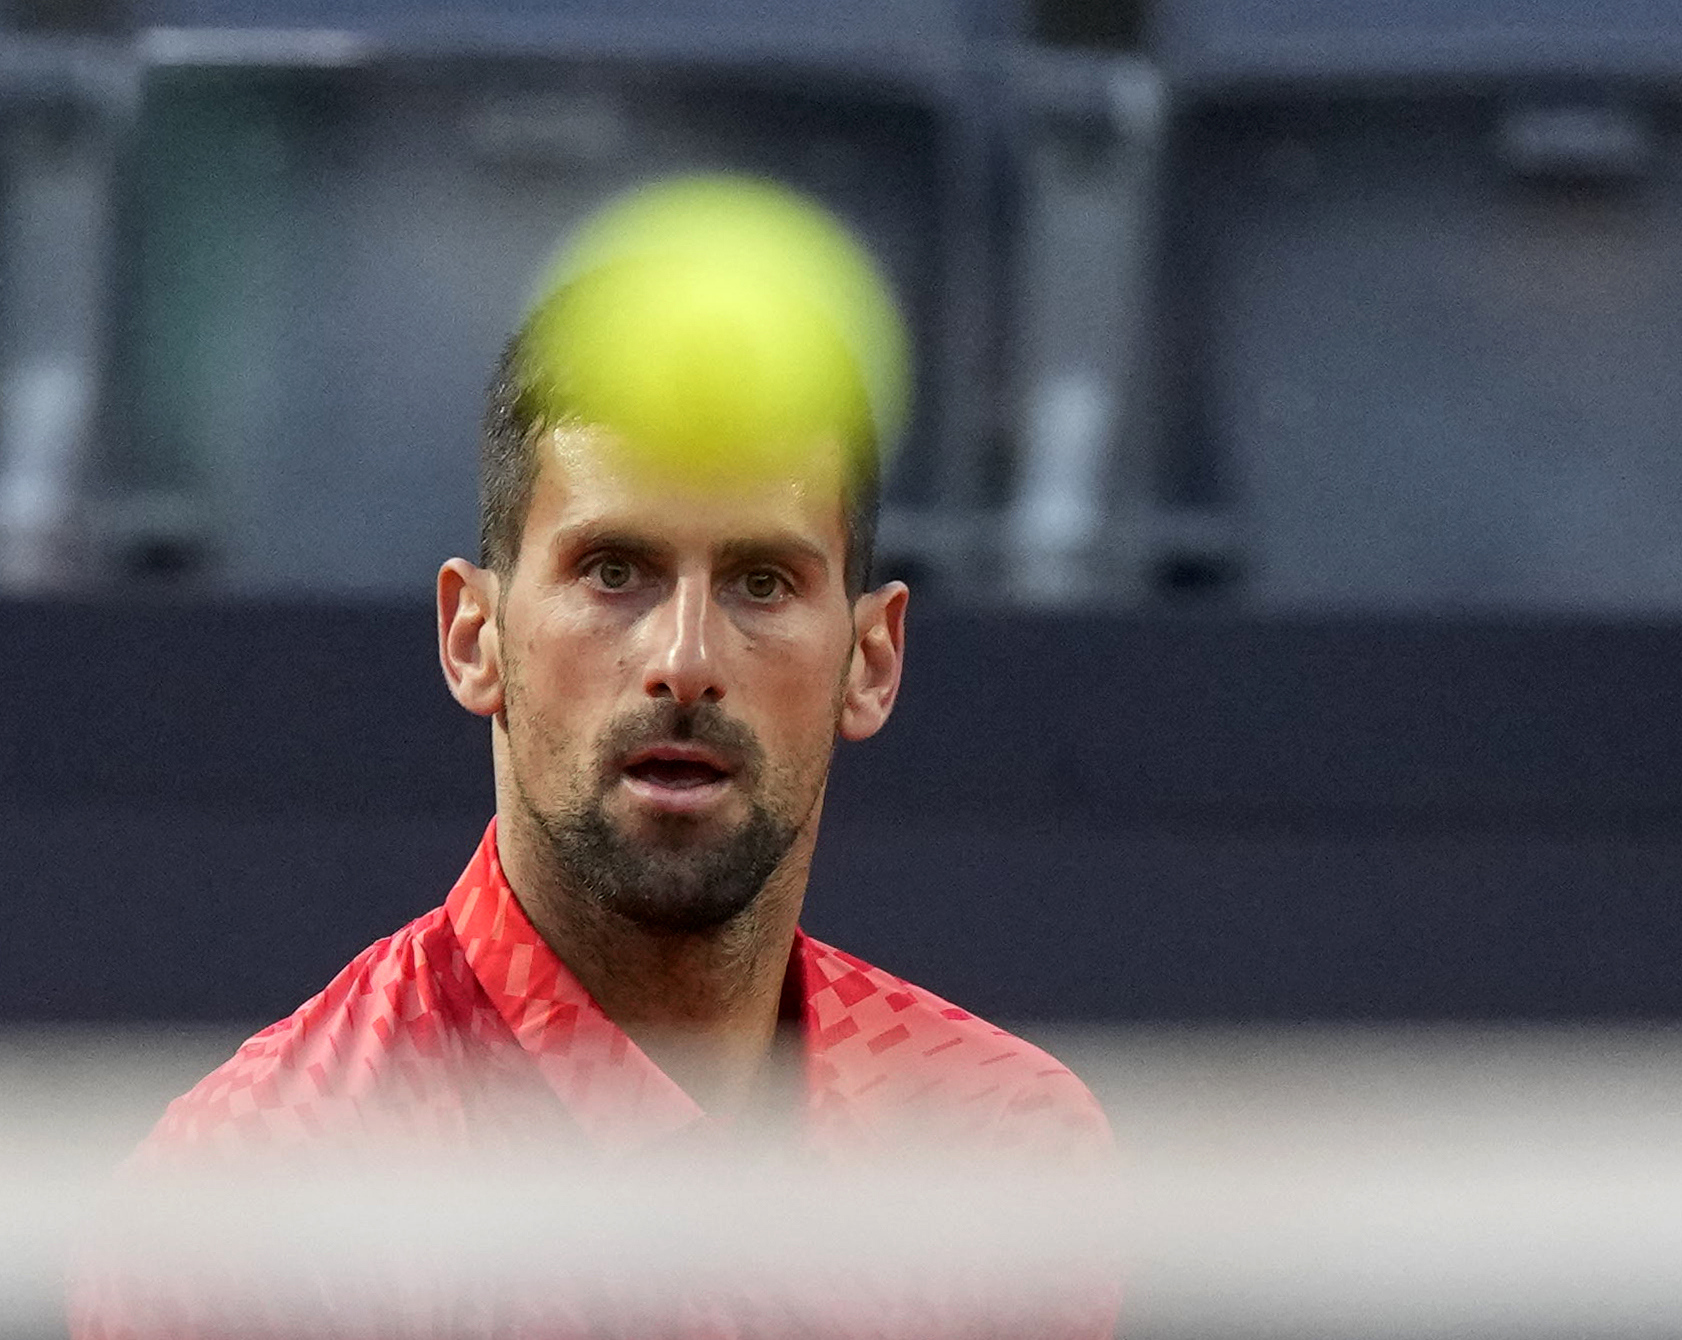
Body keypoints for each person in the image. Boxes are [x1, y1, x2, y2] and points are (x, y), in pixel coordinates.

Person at [68, 331, 1117, 1339]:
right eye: (615, 571)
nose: (686, 657)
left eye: (762, 581)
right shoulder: (241, 1202)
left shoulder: (1005, 1146)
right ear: (473, 636)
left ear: (872, 658)